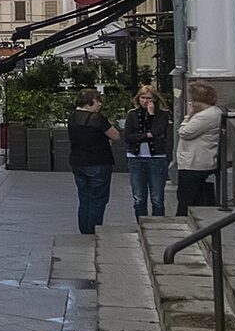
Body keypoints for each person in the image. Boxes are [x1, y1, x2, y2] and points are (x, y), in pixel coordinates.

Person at [69, 88, 121, 234]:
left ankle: (84, 229)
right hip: (98, 162)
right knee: (98, 199)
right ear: (90, 102)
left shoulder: (72, 118)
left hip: (78, 162)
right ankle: (93, 229)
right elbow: (115, 135)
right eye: (98, 101)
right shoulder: (97, 118)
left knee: (84, 197)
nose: (100, 105)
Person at [176, 81, 224, 215]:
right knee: (191, 196)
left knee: (186, 198)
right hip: (196, 161)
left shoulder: (205, 116)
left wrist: (188, 116)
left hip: (194, 163)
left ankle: (182, 221)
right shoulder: (212, 112)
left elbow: (184, 132)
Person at [124, 85, 172, 218]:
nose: (145, 101)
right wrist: (147, 135)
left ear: (155, 99)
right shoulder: (132, 114)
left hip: (156, 157)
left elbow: (158, 132)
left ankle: (157, 224)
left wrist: (151, 115)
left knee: (157, 197)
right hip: (136, 158)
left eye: (149, 98)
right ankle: (141, 224)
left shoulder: (162, 114)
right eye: (143, 97)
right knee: (139, 197)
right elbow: (128, 137)